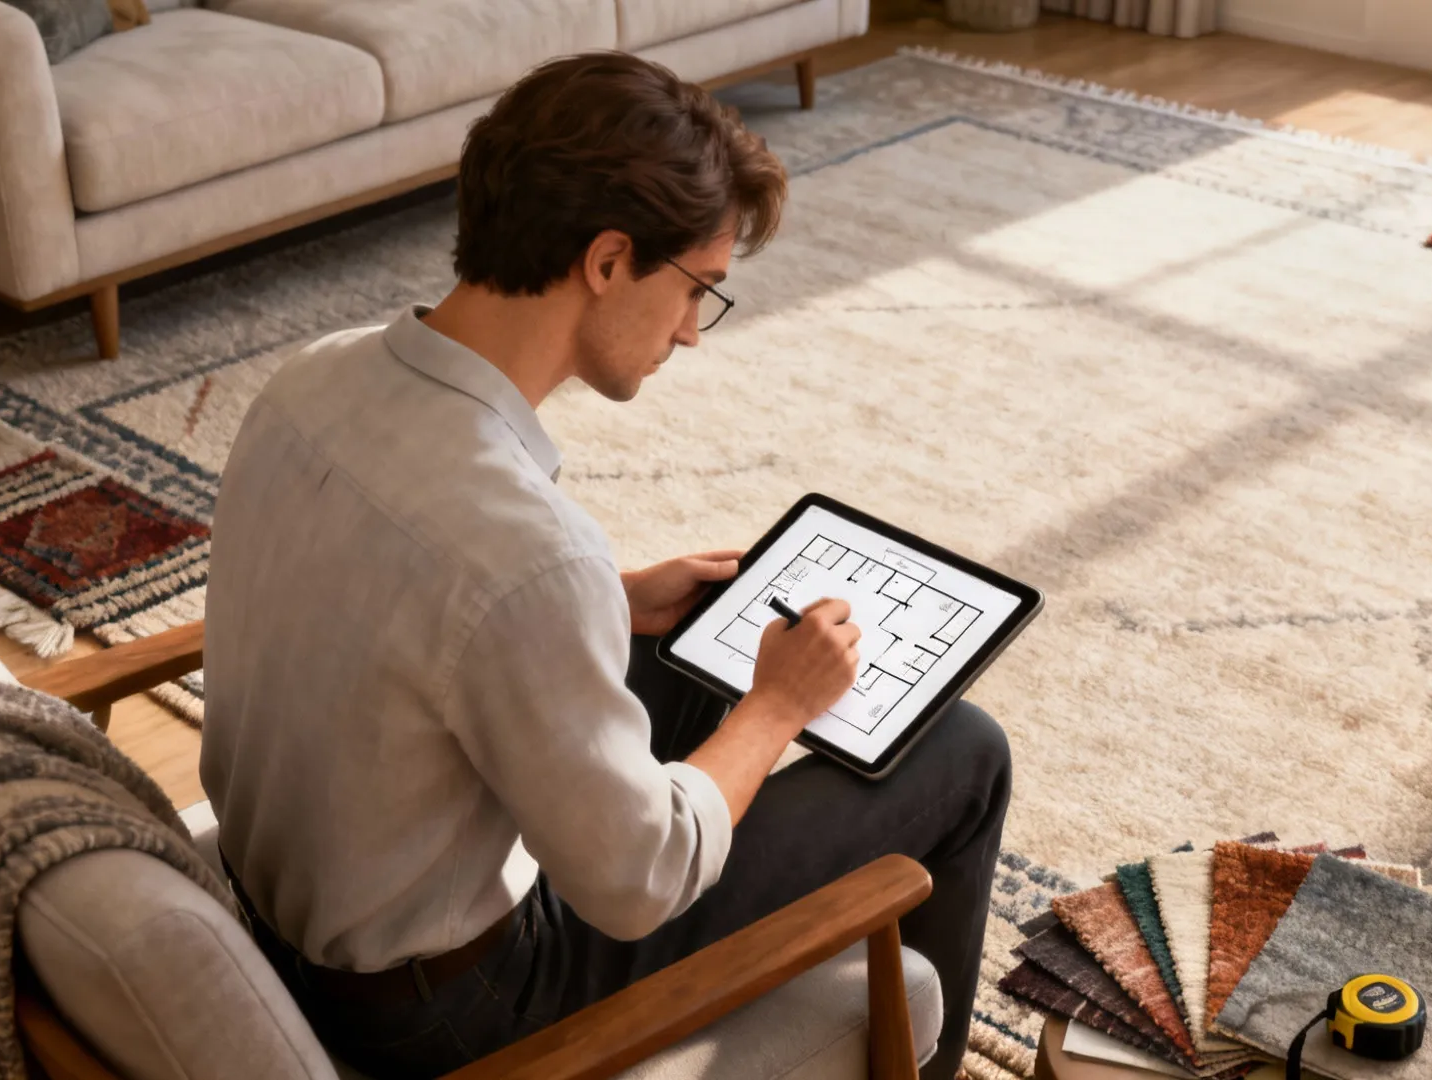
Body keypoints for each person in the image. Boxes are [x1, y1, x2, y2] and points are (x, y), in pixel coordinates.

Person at [201, 52, 1011, 1080]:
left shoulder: (310, 378)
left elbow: (386, 593)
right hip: (452, 1012)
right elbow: (640, 882)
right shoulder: (527, 549)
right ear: (610, 259)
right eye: (698, 290)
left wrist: (614, 604)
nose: (692, 333)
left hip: (287, 911)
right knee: (966, 752)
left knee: (692, 640)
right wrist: (777, 708)